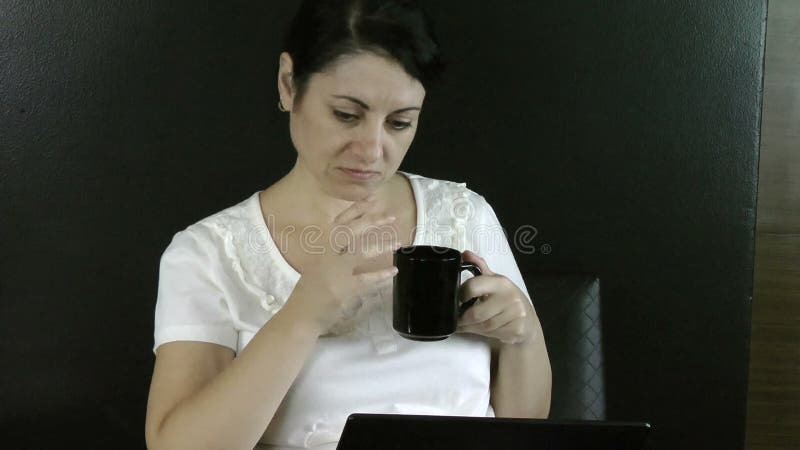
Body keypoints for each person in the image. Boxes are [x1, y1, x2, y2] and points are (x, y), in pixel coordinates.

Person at [144, 1, 551, 449]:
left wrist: (521, 334)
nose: (372, 150)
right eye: (346, 115)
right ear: (288, 84)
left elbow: (526, 423)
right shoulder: (209, 254)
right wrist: (303, 316)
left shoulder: (463, 213)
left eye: (399, 123)